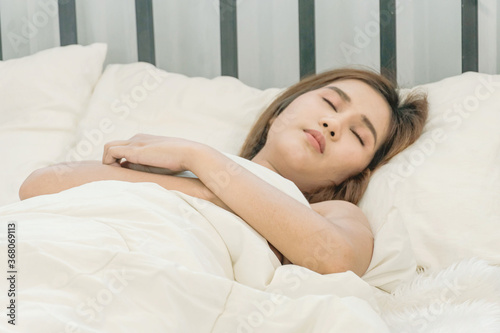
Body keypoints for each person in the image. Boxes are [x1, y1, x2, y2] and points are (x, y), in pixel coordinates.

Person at [19, 68, 428, 278]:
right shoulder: (180, 174)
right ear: (284, 108)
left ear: (354, 173)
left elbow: (336, 260)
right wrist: (205, 183)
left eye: (358, 134)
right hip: (47, 252)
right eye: (329, 102)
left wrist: (200, 158)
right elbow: (38, 187)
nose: (333, 125)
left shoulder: (335, 214)